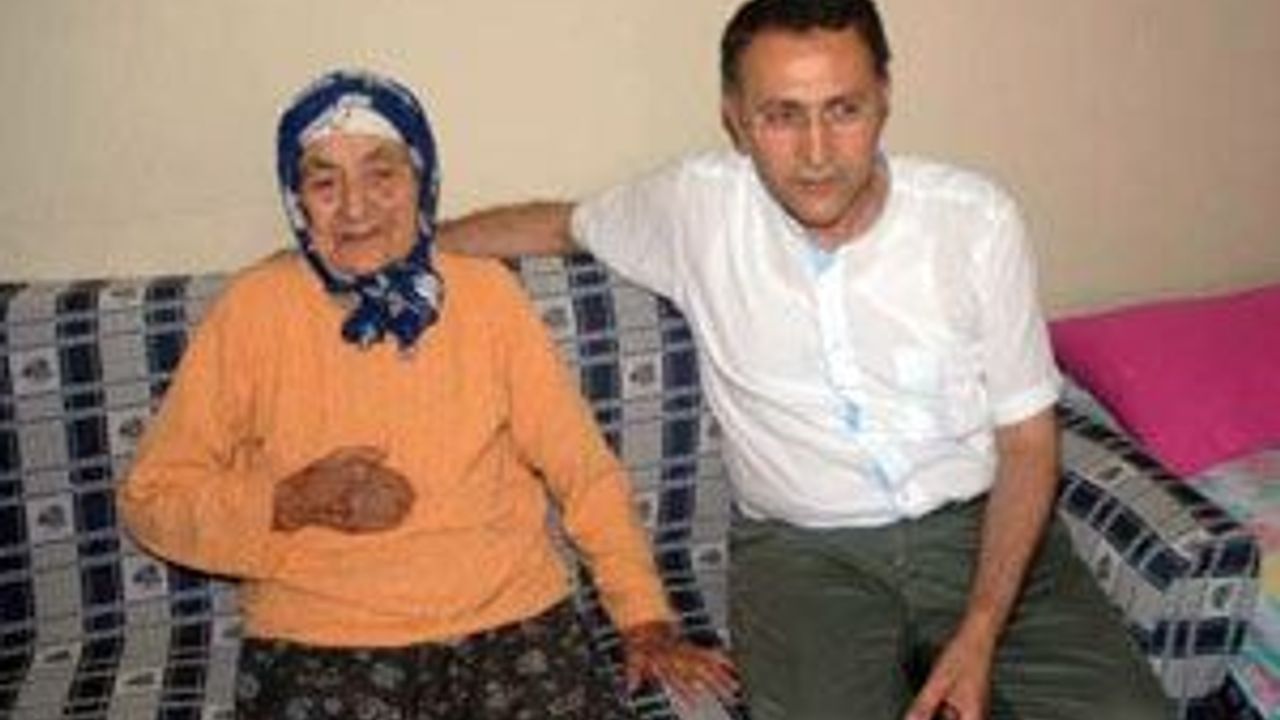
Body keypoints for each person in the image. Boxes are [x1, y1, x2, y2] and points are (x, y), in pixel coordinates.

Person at [437, 1, 1171, 719]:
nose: (817, 153)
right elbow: (562, 226)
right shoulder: (694, 207)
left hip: (982, 534)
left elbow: (1029, 440)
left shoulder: (975, 222)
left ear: (884, 99)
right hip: (805, 561)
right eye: (782, 116)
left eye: (843, 110)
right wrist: (403, 244)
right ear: (735, 118)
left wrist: (981, 631)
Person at [119, 69, 736, 720]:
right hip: (321, 635)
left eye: (381, 175)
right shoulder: (254, 310)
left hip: (511, 619)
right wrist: (289, 501)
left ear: (421, 178)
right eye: (325, 183)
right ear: (297, 199)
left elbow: (582, 469)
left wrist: (644, 618)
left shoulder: (488, 297)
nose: (355, 207)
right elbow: (152, 498)